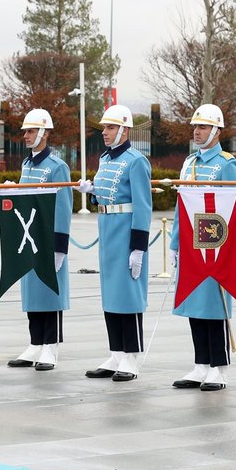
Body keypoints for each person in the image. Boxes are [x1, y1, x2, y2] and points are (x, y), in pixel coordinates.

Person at [170, 104, 236, 391]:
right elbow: (180, 206)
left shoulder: (227, 163)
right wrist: (175, 243)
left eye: (202, 127)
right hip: (190, 243)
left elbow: (235, 206)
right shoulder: (189, 163)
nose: (196, 132)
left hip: (215, 242)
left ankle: (219, 367)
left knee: (214, 304)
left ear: (216, 130)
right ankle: (201, 364)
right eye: (195, 127)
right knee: (194, 301)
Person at [76, 105, 152, 382]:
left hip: (125, 231)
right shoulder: (105, 160)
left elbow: (143, 206)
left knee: (128, 296)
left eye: (109, 128)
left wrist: (138, 248)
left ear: (124, 129)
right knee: (111, 294)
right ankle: (116, 352)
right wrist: (93, 192)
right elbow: (108, 195)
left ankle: (131, 357)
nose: (104, 133)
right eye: (104, 128)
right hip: (107, 228)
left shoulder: (136, 161)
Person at [7, 109, 71, 372]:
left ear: (44, 133)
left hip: (48, 236)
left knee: (50, 291)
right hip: (29, 235)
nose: (25, 135)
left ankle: (51, 346)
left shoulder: (58, 167)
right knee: (33, 291)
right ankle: (35, 343)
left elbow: (64, 207)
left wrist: (60, 246)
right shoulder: (26, 164)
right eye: (25, 131)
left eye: (31, 131)